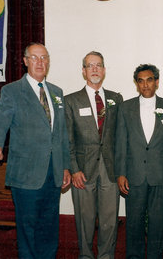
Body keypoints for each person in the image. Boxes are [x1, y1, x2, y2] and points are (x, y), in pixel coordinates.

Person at [0, 42, 71, 259]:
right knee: (28, 230)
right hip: (26, 175)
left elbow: (61, 135)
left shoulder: (57, 93)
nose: (40, 62)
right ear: (25, 61)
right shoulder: (12, 91)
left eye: (44, 58)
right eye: (34, 58)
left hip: (53, 174)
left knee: (49, 229)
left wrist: (66, 168)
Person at [115, 64, 163, 258]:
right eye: (140, 81)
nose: (145, 85)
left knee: (158, 223)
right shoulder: (125, 107)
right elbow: (120, 142)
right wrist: (121, 173)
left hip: (159, 175)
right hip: (134, 175)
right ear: (136, 84)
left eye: (149, 80)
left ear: (156, 82)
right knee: (133, 223)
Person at [64, 51, 123, 259]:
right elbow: (68, 139)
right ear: (83, 71)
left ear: (104, 70)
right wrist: (74, 169)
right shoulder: (70, 100)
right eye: (90, 65)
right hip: (83, 170)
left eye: (99, 65)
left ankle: (106, 255)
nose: (95, 69)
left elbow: (119, 137)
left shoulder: (116, 99)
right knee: (84, 218)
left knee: (109, 218)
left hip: (110, 168)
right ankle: (86, 256)